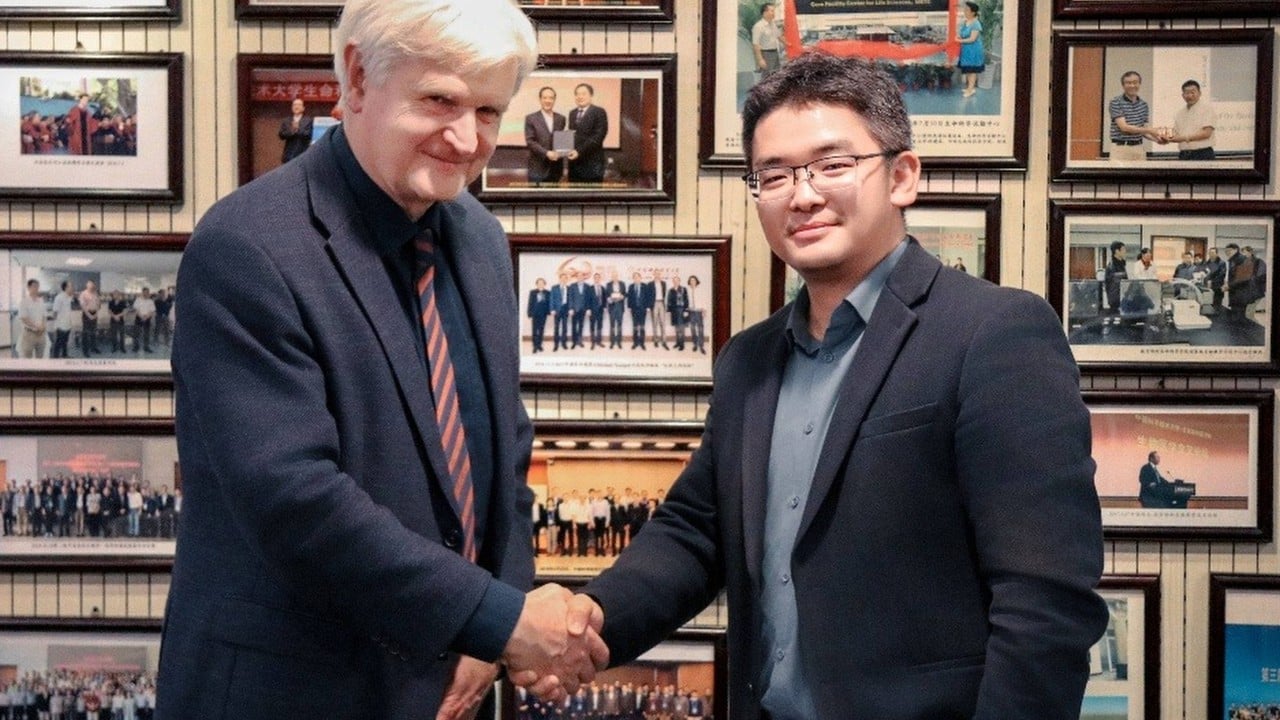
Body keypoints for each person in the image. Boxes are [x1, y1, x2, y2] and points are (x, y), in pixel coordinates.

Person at [577, 52, 1108, 719]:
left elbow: (1045, 602)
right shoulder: (747, 361)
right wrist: (587, 619)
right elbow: (696, 531)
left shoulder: (994, 333)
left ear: (902, 176)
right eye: (775, 175)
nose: (802, 195)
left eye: (832, 165)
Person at [157, 2, 606, 718]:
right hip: (295, 693)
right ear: (359, 79)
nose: (467, 139)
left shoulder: (480, 239)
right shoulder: (247, 248)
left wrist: (491, 627)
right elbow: (296, 499)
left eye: (488, 111)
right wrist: (496, 619)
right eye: (440, 101)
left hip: (452, 681)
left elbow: (505, 453)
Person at [1108, 71, 1160, 161]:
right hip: (1121, 149)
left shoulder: (1143, 105)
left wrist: (1157, 139)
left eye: (1135, 82)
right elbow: (1124, 127)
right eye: (1128, 83)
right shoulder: (1115, 102)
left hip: (1139, 148)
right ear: (1123, 85)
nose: (1132, 85)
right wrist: (1150, 130)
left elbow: (1143, 129)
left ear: (1139, 84)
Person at [524, 86, 566, 184]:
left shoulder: (561, 118)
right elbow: (530, 141)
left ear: (554, 100)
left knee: (554, 193)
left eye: (551, 98)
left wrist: (563, 151)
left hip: (556, 168)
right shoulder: (531, 118)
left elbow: (561, 140)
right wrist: (547, 153)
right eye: (545, 98)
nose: (548, 101)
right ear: (540, 99)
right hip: (537, 168)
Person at [567, 83, 608, 183]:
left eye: (583, 94)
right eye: (577, 94)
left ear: (591, 95)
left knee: (592, 192)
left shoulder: (599, 112)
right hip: (574, 164)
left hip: (592, 164)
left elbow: (598, 136)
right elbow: (573, 134)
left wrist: (579, 151)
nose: (580, 96)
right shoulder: (572, 113)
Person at [1165, 79, 1216, 160]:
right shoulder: (1180, 113)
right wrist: (1165, 137)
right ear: (1183, 95)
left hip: (1203, 154)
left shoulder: (1207, 109)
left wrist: (1185, 138)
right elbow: (1176, 133)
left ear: (1199, 93)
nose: (1190, 95)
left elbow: (1206, 133)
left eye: (1193, 92)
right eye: (1187, 93)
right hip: (1184, 154)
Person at [956, 1, 984, 99]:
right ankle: (969, 88)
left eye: (967, 10)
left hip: (973, 50)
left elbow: (972, 39)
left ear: (973, 12)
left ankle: (971, 90)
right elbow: (962, 34)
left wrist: (959, 41)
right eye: (965, 9)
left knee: (972, 71)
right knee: (968, 69)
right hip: (966, 50)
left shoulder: (976, 24)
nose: (964, 11)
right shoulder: (966, 22)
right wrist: (958, 37)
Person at [751, 3, 784, 80]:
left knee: (776, 76)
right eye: (772, 11)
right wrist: (760, 59)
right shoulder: (758, 26)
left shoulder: (772, 24)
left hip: (774, 53)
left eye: (774, 11)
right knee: (766, 78)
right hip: (765, 54)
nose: (774, 13)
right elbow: (756, 44)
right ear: (765, 13)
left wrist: (789, 44)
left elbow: (779, 37)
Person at [17, 279, 47, 359]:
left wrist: (43, 326)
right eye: (34, 286)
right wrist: (37, 327)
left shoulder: (41, 301)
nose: (36, 288)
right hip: (29, 334)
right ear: (28, 287)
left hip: (41, 334)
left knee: (40, 358)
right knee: (27, 359)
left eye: (37, 286)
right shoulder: (24, 301)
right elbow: (24, 318)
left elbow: (44, 316)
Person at [278, 97, 314, 163]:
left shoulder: (308, 120)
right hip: (288, 154)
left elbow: (308, 134)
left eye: (299, 105)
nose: (296, 107)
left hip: (303, 153)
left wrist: (297, 129)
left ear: (303, 108)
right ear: (292, 107)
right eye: (294, 105)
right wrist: (292, 131)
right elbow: (281, 135)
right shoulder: (286, 120)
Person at [50, 280, 74, 359]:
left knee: (65, 342)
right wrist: (56, 325)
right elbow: (55, 312)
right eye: (70, 286)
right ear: (66, 288)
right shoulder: (59, 297)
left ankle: (64, 355)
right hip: (60, 325)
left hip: (67, 323)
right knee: (58, 343)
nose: (72, 288)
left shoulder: (69, 297)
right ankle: (55, 358)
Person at [1104, 240, 1128, 315]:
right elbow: (1113, 285)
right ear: (1117, 251)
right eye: (1123, 249)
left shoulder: (1122, 264)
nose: (1125, 251)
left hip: (1122, 299)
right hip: (1116, 302)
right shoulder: (1111, 266)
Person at [604, 271, 627, 349]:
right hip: (612, 307)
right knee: (612, 325)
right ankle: (612, 342)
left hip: (620, 306)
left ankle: (619, 342)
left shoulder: (622, 284)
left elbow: (625, 293)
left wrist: (623, 296)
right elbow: (606, 295)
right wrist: (609, 299)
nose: (615, 277)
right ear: (612, 277)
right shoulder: (608, 284)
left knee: (619, 325)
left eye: (616, 276)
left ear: (618, 276)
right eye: (613, 276)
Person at [666, 275, 689, 351]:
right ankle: (678, 343)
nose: (676, 282)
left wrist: (685, 310)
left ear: (679, 281)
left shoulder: (683, 289)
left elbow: (686, 300)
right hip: (674, 311)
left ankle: (682, 344)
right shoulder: (671, 290)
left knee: (681, 328)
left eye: (677, 280)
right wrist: (669, 311)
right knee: (676, 327)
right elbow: (669, 301)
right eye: (674, 281)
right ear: (673, 282)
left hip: (681, 310)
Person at [527, 277, 551, 353]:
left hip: (543, 314)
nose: (540, 284)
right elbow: (530, 303)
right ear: (537, 284)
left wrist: (549, 312)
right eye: (539, 283)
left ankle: (539, 345)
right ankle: (535, 346)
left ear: (544, 284)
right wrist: (529, 313)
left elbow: (549, 303)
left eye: (542, 283)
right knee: (534, 330)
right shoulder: (532, 292)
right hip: (535, 314)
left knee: (541, 330)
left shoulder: (548, 292)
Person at [78, 281, 101, 357]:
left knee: (93, 332)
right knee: (86, 333)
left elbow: (98, 305)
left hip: (94, 313)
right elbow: (83, 306)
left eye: (93, 285)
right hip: (86, 314)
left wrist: (96, 314)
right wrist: (89, 315)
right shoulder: (83, 294)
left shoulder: (95, 293)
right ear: (87, 285)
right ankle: (85, 351)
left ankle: (93, 348)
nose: (91, 287)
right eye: (90, 285)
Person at [685, 275, 706, 354]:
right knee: (692, 328)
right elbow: (686, 301)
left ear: (696, 281)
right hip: (691, 311)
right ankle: (695, 344)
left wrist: (704, 310)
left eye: (693, 280)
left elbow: (704, 300)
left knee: (700, 329)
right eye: (691, 281)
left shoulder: (700, 290)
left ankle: (701, 346)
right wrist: (686, 310)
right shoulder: (687, 290)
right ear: (689, 282)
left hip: (699, 311)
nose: (692, 282)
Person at [132, 287, 156, 353]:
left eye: (147, 292)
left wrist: (146, 317)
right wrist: (141, 317)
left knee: (146, 334)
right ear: (142, 292)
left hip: (147, 318)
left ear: (149, 293)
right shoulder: (138, 300)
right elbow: (136, 310)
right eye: (145, 292)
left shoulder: (151, 301)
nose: (146, 293)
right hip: (138, 318)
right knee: (137, 333)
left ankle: (146, 347)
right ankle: (136, 347)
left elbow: (152, 311)